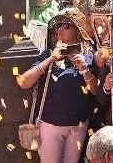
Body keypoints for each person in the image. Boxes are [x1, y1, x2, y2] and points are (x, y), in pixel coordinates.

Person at [17, 10, 99, 163]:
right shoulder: (48, 54)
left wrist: (84, 69)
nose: (60, 29)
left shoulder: (88, 56)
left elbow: (95, 91)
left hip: (78, 125)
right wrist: (50, 59)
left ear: (77, 31)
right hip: (50, 124)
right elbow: (24, 82)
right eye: (58, 25)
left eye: (66, 25)